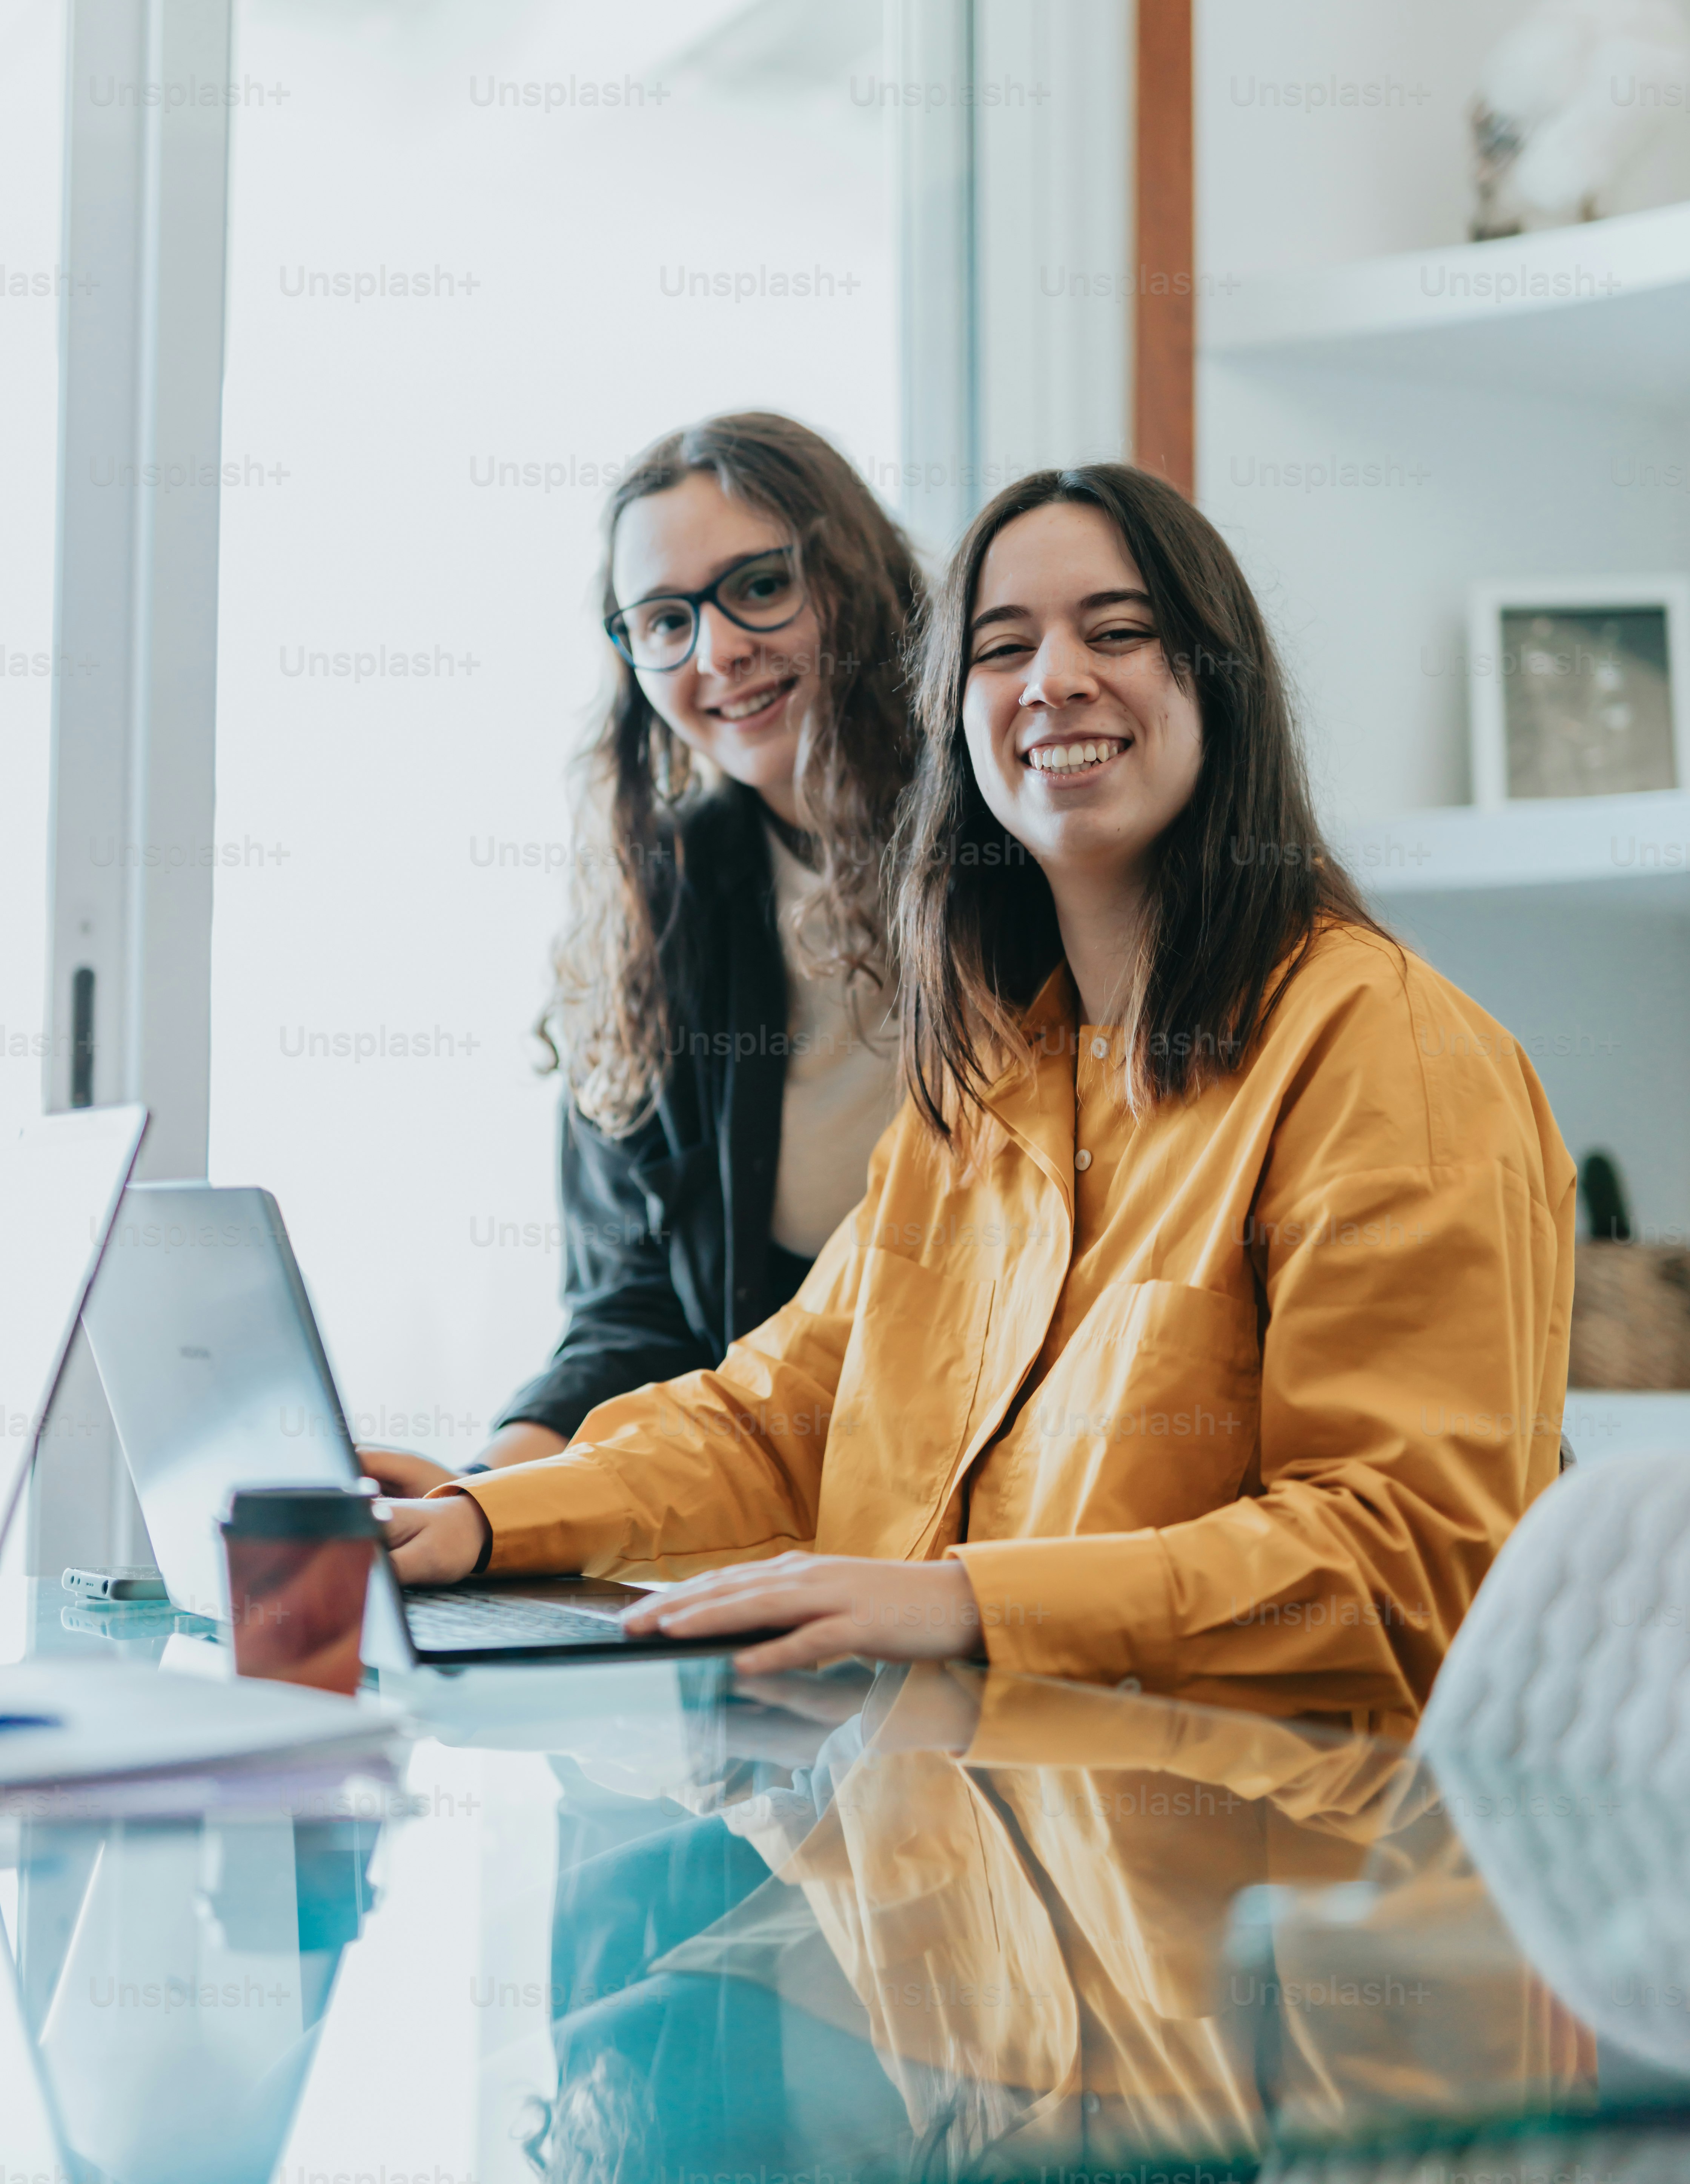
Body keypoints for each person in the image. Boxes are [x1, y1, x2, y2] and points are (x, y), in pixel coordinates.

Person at [382, 463, 1576, 1734]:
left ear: (1219, 684)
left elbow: (1407, 1570)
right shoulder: (985, 1086)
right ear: (957, 719)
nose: (1054, 679)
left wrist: (962, 1602)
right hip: (957, 1856)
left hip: (1251, 1885)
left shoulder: (1388, 1051)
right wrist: (477, 1520)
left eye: (1117, 632)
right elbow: (778, 1413)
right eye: (1002, 649)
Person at [364, 413, 922, 1494]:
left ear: (854, 579)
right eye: (664, 621)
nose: (716, 653)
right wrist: (479, 1497)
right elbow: (636, 1312)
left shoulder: (1021, 850)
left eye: (760, 588)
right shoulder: (661, 909)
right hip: (777, 1512)